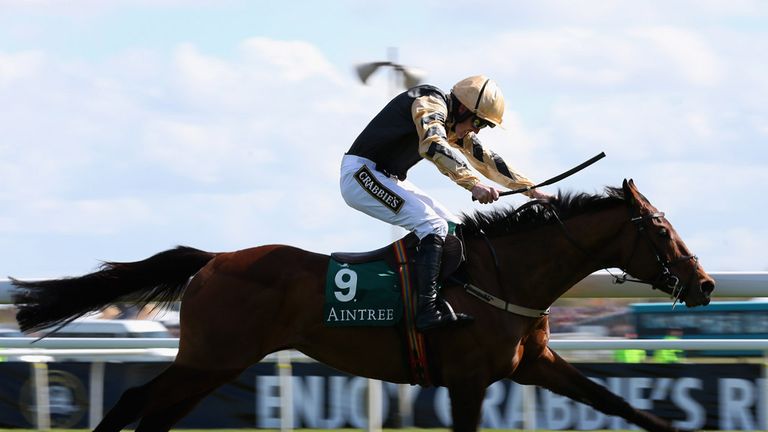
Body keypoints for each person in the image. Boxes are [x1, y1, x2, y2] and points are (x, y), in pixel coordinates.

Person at [340, 75, 550, 331]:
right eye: (478, 122)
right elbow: (432, 145)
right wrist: (473, 184)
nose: (476, 130)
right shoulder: (429, 102)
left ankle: (440, 297)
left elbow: (487, 160)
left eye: (483, 126)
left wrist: (534, 192)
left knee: (452, 227)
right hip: (361, 174)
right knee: (433, 226)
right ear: (462, 108)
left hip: (385, 177)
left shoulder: (453, 122)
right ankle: (425, 311)